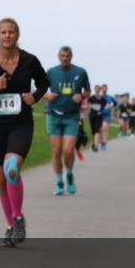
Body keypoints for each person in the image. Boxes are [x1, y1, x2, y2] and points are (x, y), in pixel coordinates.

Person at [0, 18, 49, 247]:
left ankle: (18, 218)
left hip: (21, 124)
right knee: (2, 180)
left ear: (17, 35)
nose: (7, 36)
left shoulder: (30, 60)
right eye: (3, 32)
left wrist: (35, 96)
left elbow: (44, 83)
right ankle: (10, 226)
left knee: (11, 169)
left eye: (11, 32)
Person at [45, 46, 91, 195]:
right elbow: (41, 88)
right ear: (58, 57)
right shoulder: (51, 72)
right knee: (56, 150)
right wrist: (46, 95)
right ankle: (59, 182)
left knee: (68, 149)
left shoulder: (80, 72)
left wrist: (82, 96)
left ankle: (69, 174)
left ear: (71, 56)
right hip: (54, 115)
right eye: (62, 56)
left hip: (72, 116)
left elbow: (88, 90)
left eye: (67, 56)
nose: (65, 58)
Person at [87, 85, 106, 152]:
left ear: (100, 90)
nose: (97, 90)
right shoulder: (91, 98)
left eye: (98, 89)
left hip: (99, 116)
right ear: (95, 90)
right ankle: (93, 143)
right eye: (96, 89)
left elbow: (104, 106)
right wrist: (92, 106)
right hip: (92, 115)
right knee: (93, 131)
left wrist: (100, 110)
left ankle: (96, 146)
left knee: (97, 130)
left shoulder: (103, 99)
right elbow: (88, 105)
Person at [100, 84, 116, 150]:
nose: (104, 89)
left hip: (107, 115)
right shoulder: (99, 97)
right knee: (101, 129)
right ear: (101, 89)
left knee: (105, 128)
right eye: (103, 88)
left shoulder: (110, 97)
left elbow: (115, 103)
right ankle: (102, 142)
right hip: (99, 115)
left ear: (107, 89)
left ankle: (104, 143)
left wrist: (111, 106)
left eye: (105, 88)